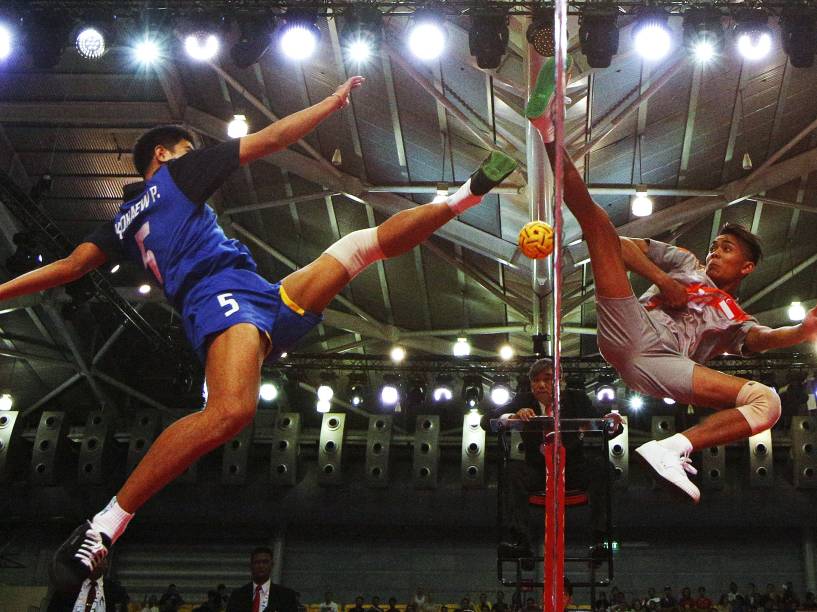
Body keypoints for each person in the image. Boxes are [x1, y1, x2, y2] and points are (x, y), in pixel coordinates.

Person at [6, 74, 516, 591]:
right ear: (164, 153)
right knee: (230, 412)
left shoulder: (120, 221)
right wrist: (329, 103)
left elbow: (69, 268)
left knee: (359, 248)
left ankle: (461, 198)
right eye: (190, 147)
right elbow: (273, 140)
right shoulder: (177, 174)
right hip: (217, 295)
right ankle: (104, 524)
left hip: (258, 297)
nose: (198, 153)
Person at [526, 56, 817, 502]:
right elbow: (620, 246)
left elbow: (762, 340)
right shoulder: (684, 261)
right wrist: (663, 280)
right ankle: (547, 128)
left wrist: (803, 330)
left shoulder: (734, 315)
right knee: (596, 222)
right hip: (631, 328)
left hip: (667, 365)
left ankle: (671, 448)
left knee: (767, 402)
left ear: (746, 268)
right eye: (715, 245)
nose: (715, 252)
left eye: (726, 249)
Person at [496, 358, 618, 559]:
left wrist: (612, 423)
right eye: (536, 380)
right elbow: (488, 421)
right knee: (512, 471)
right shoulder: (523, 400)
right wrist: (512, 416)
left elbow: (605, 426)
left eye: (547, 379)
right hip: (537, 471)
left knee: (602, 467)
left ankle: (599, 540)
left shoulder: (577, 398)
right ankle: (521, 541)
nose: (541, 385)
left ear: (560, 380)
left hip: (572, 469)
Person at [225, 547, 297, 612]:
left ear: (272, 565)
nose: (261, 566)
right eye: (257, 562)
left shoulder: (286, 596)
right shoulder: (237, 596)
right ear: (251, 566)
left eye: (265, 562)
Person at [45, 556, 129, 612]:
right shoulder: (67, 587)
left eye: (101, 558)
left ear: (106, 564)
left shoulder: (116, 590)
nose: (96, 562)